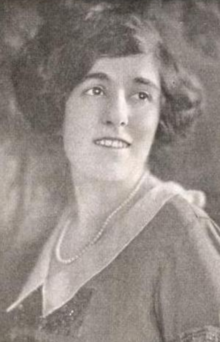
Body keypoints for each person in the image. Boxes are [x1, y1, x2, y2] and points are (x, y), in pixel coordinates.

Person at [2, 2, 220, 341]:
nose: (118, 115)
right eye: (96, 90)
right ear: (60, 105)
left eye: (141, 94)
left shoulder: (179, 231)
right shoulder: (48, 236)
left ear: (160, 113)